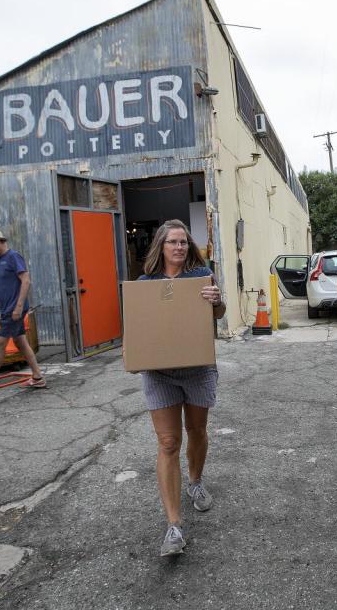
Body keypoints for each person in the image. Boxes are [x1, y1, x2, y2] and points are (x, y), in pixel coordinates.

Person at [135, 219, 225, 557]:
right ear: (161, 246)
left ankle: (196, 481)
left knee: (197, 431)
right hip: (160, 373)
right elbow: (138, 323)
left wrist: (215, 300)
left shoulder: (201, 277)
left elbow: (220, 313)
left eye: (184, 242)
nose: (179, 247)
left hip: (197, 368)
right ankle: (174, 526)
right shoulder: (146, 283)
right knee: (169, 441)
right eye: (173, 242)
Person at [0, 229, 45, 397]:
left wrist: (19, 307)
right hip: (8, 310)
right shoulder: (0, 261)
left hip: (13, 310)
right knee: (21, 343)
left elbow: (26, 280)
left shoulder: (13, 257)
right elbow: (0, 288)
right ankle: (38, 377)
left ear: (2, 241)